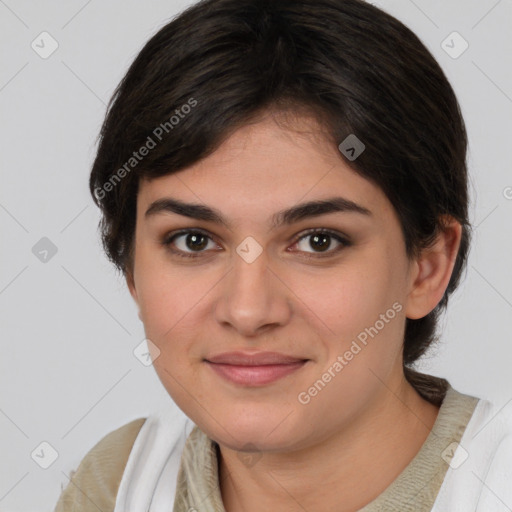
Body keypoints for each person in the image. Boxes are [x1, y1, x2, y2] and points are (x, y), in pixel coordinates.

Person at [54, 0, 512, 511]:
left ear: (427, 268)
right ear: (131, 267)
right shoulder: (118, 486)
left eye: (319, 241)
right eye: (194, 241)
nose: (248, 312)